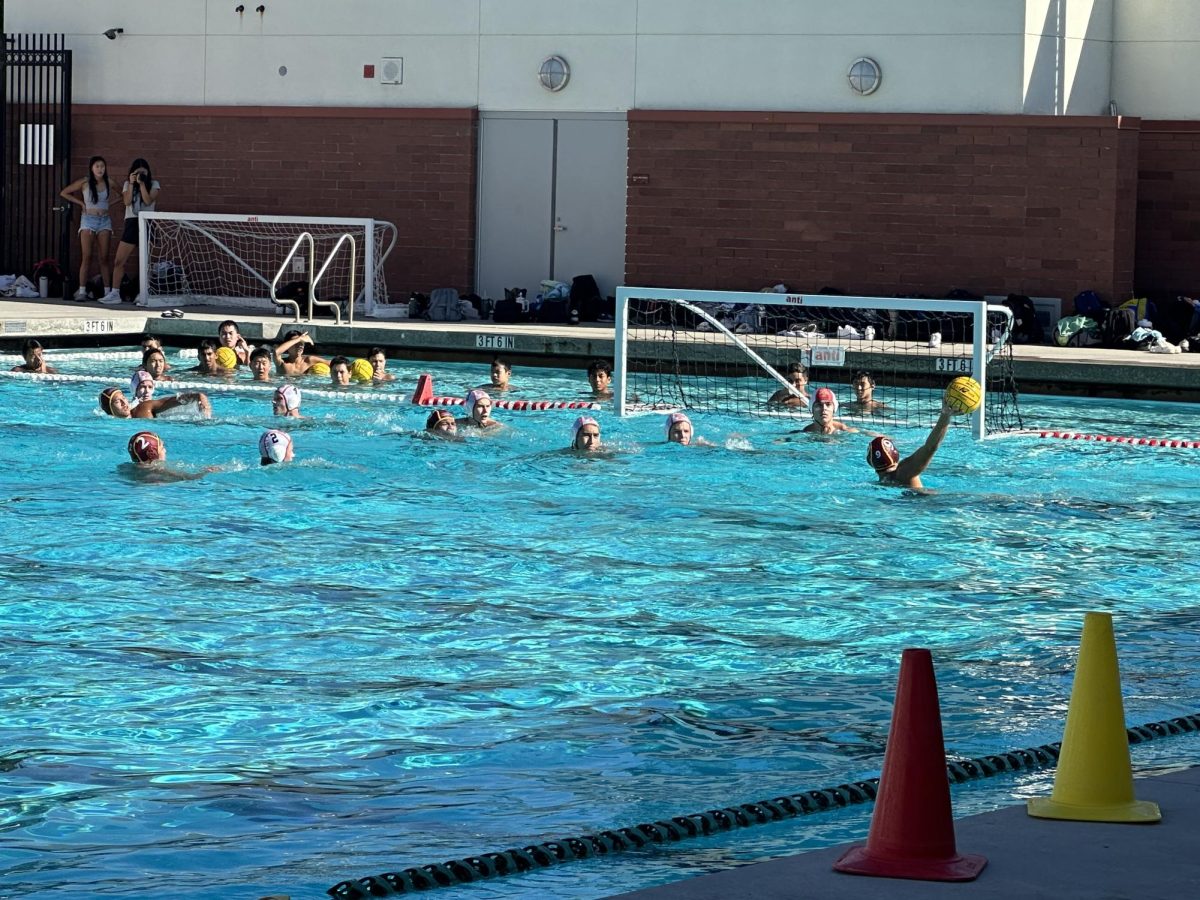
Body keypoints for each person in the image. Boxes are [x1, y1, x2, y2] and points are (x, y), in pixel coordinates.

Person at [867, 400, 956, 491]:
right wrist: (945, 415)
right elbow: (930, 447)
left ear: (870, 462)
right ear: (896, 453)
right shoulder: (904, 471)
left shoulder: (876, 485)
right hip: (932, 502)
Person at [59, 156, 114, 300]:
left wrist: (109, 206)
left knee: (104, 257)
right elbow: (64, 192)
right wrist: (82, 204)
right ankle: (82, 290)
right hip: (88, 220)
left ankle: (108, 292)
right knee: (87, 256)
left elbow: (123, 195)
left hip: (104, 221)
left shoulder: (109, 182)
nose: (100, 169)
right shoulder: (84, 182)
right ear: (91, 168)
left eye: (102, 166)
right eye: (97, 166)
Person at [109, 158, 162, 303]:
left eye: (143, 172)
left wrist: (142, 183)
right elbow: (126, 202)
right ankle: (114, 293)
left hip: (147, 221)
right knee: (119, 260)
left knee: (145, 262)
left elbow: (148, 201)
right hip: (132, 222)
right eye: (138, 172)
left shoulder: (154, 184)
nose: (140, 175)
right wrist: (132, 183)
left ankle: (143, 292)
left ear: (148, 172)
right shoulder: (128, 184)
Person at [122, 430, 207, 483]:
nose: (165, 450)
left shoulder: (124, 468)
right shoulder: (161, 472)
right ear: (152, 453)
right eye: (162, 447)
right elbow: (192, 478)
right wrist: (206, 472)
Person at [99, 386, 211, 419]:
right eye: (118, 401)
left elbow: (170, 401)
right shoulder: (110, 425)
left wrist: (196, 396)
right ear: (110, 410)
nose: (124, 402)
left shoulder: (144, 408)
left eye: (124, 398)